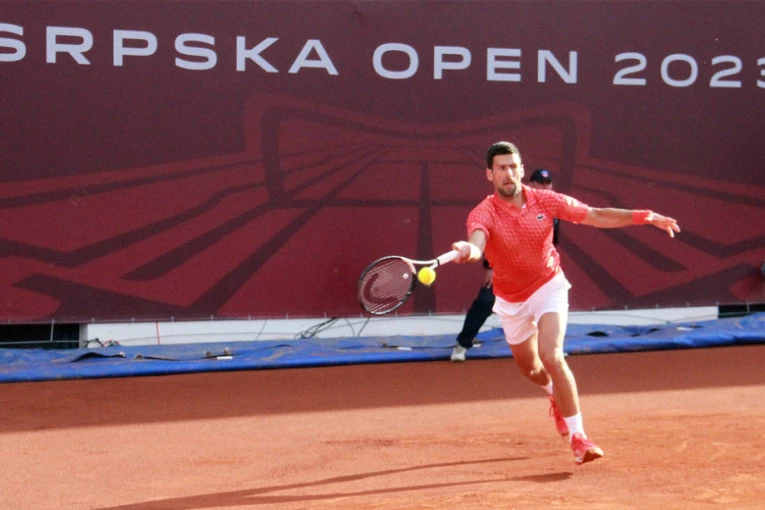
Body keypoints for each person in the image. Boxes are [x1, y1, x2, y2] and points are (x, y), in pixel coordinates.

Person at [450, 141, 680, 464]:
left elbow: (596, 215)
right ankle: (552, 395)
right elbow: (477, 243)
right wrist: (468, 250)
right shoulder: (483, 212)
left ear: (521, 169)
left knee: (552, 356)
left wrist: (645, 216)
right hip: (511, 299)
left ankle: (579, 438)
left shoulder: (545, 199)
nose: (508, 173)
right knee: (532, 369)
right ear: (490, 174)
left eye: (513, 166)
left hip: (548, 285)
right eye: (501, 168)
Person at [450, 168, 560, 362]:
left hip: (535, 272)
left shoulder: (553, 211)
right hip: (504, 269)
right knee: (485, 302)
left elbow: (549, 245)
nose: (544, 187)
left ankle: (549, 350)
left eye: (547, 183)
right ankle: (462, 344)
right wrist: (490, 268)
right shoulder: (511, 206)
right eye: (540, 183)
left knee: (546, 307)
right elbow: (494, 238)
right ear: (531, 184)